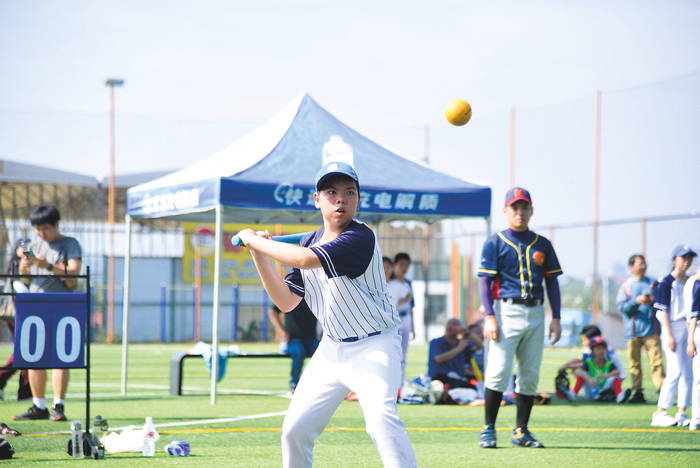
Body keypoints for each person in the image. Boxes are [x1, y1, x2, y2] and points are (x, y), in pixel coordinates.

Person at [236, 162, 417, 467]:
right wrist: (259, 254)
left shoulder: (360, 237)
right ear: (317, 200)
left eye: (349, 192)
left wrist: (255, 241)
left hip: (375, 344)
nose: (341, 198)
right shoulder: (309, 241)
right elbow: (286, 301)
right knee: (294, 431)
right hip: (331, 348)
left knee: (381, 421)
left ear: (358, 200)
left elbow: (305, 260)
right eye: (331, 192)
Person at [477, 187, 562, 449]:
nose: (520, 212)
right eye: (514, 207)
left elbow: (552, 282)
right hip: (506, 312)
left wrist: (556, 317)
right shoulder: (495, 242)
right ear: (505, 211)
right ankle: (488, 428)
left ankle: (521, 431)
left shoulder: (542, 244)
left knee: (530, 374)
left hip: (536, 312)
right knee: (498, 371)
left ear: (531, 210)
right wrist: (489, 315)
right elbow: (484, 281)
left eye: (524, 207)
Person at [12, 205, 82, 422]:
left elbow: (75, 272)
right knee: (35, 357)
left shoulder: (69, 244)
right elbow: (26, 280)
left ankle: (58, 406)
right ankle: (39, 406)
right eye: (37, 229)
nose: (41, 233)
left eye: (45, 228)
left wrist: (47, 265)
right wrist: (24, 268)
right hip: (35, 304)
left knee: (61, 357)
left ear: (56, 224)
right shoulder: (33, 246)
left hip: (62, 304)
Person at [651, 245, 695, 427]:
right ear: (674, 260)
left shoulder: (691, 282)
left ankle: (682, 413)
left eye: (689, 258)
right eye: (683, 257)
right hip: (672, 327)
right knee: (675, 370)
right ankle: (660, 413)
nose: (687, 261)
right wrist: (668, 334)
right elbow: (662, 311)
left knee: (688, 373)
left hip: (688, 327)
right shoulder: (666, 282)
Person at [616, 254, 664, 404]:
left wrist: (652, 302)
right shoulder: (626, 286)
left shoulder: (653, 284)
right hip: (632, 332)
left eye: (644, 263)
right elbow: (622, 307)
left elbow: (663, 303)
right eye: (640, 264)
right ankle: (637, 392)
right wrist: (636, 301)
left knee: (657, 362)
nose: (643, 266)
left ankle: (663, 392)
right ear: (631, 267)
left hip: (652, 330)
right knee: (634, 364)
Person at [557, 325, 628, 402]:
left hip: (611, 381)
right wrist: (566, 365)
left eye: (585, 339)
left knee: (582, 371)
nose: (584, 342)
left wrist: (567, 366)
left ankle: (618, 395)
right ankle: (573, 394)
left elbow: (616, 371)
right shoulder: (594, 351)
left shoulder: (605, 352)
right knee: (581, 372)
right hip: (595, 382)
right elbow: (581, 359)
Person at [0, 238, 31, 401]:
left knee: (27, 351)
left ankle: (26, 391)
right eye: (22, 249)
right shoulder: (16, 266)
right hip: (18, 314)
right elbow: (23, 291)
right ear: (17, 250)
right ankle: (25, 391)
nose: (25, 252)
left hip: (25, 315)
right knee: (26, 351)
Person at [268, 300, 320, 394]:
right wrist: (282, 330)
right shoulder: (291, 296)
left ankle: (321, 385)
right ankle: (294, 385)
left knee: (323, 352)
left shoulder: (314, 296)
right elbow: (272, 312)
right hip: (294, 339)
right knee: (299, 351)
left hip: (312, 339)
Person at [571, 336, 630, 403]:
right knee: (583, 374)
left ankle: (619, 396)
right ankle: (573, 394)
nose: (601, 351)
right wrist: (589, 379)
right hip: (591, 389)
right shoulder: (589, 362)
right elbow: (577, 371)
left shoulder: (608, 363)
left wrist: (605, 376)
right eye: (598, 348)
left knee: (614, 377)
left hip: (603, 390)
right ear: (592, 350)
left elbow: (617, 371)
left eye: (603, 348)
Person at [428, 318, 483, 389]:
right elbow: (439, 359)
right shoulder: (436, 342)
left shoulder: (462, 343)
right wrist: (459, 349)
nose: (449, 327)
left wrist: (468, 333)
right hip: (439, 381)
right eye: (448, 324)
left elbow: (480, 346)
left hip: (458, 380)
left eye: (454, 324)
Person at [387, 252, 414, 385]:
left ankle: (400, 385)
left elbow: (411, 306)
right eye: (401, 265)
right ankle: (392, 383)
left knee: (403, 355)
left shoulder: (407, 283)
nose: (404, 268)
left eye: (406, 265)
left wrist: (413, 327)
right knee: (393, 353)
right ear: (395, 265)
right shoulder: (391, 283)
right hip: (394, 319)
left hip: (406, 318)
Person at [684, 267, 700, 430]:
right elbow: (694, 314)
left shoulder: (691, 283)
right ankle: (696, 418)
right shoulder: (696, 284)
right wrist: (690, 339)